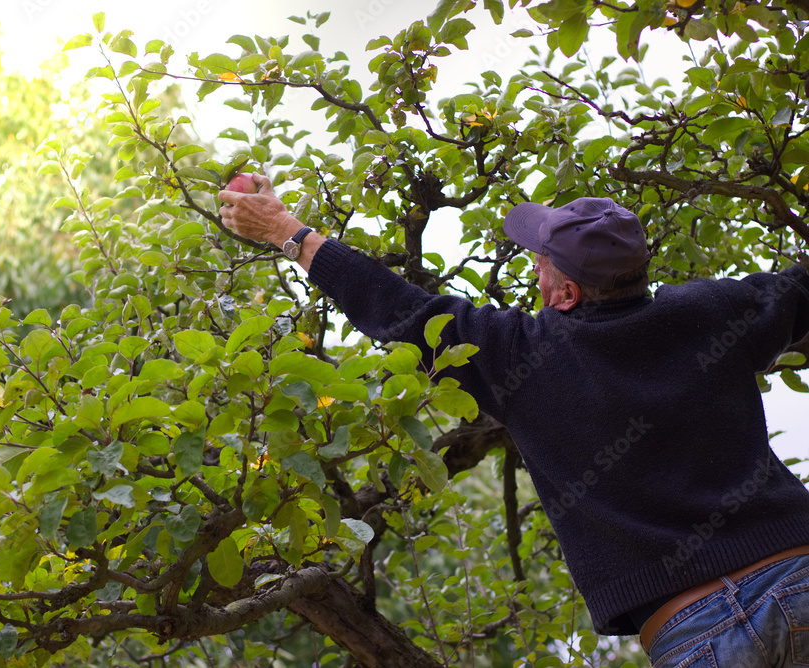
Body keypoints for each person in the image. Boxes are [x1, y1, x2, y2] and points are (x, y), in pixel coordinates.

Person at [218, 173, 809, 667]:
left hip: (698, 635)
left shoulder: (520, 355)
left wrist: (284, 230)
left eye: (542, 262)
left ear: (567, 293)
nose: (534, 269)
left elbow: (398, 309)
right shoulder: (715, 310)